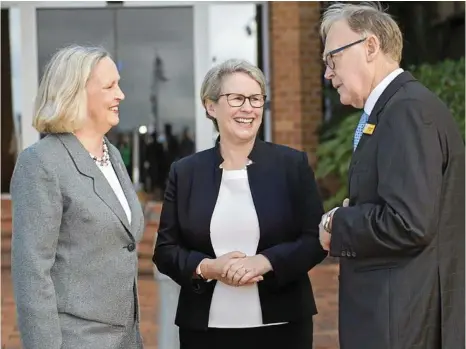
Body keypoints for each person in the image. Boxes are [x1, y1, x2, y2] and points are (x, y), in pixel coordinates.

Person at [318, 3, 465, 349]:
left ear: (370, 47)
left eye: (332, 59)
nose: (327, 73)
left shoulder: (406, 111)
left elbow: (407, 222)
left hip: (402, 324)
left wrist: (336, 224)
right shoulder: (397, 108)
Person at [153, 59, 327, 349]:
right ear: (211, 106)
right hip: (205, 332)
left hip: (283, 328)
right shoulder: (185, 172)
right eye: (237, 98)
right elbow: (166, 251)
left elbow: (315, 240)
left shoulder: (291, 165)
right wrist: (208, 267)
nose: (248, 108)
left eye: (256, 99)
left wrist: (267, 261)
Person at [10, 45, 145, 349]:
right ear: (75, 93)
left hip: (126, 339)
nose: (121, 94)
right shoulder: (42, 163)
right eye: (110, 86)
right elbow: (32, 273)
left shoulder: (112, 155)